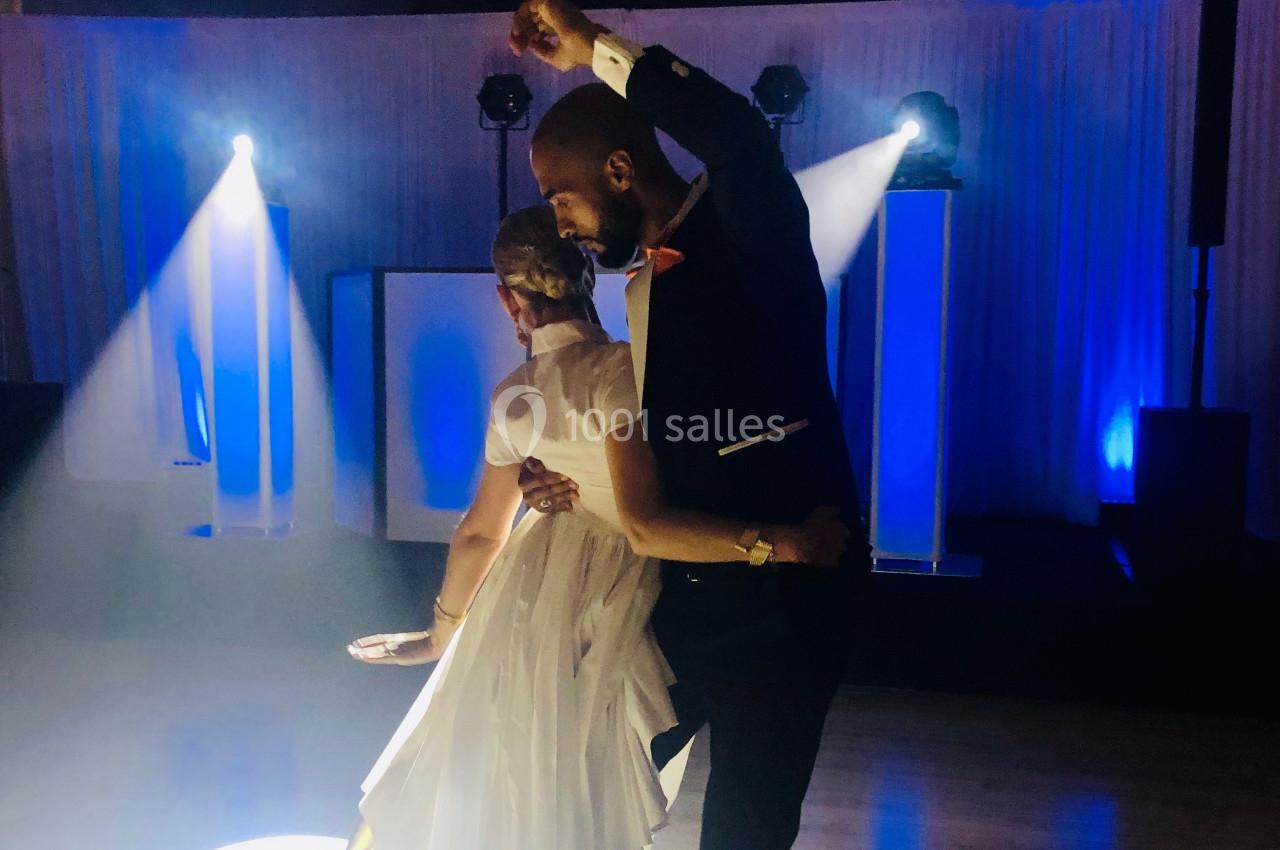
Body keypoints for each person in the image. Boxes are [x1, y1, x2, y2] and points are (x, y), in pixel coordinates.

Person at [346, 206, 848, 850]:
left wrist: (441, 634)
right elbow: (653, 506)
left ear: (508, 300)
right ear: (586, 277)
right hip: (623, 581)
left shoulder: (513, 394)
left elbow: (479, 533)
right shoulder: (626, 369)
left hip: (528, 590)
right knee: (580, 763)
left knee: (511, 753)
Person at [509, 2, 871, 848]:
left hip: (788, 600)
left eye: (562, 199)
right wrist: (559, 473)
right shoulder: (645, 286)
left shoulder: (749, 230)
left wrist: (595, 47)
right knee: (577, 754)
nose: (558, 224)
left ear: (622, 169)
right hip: (689, 592)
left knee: (745, 827)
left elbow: (741, 135)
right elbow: (655, 447)